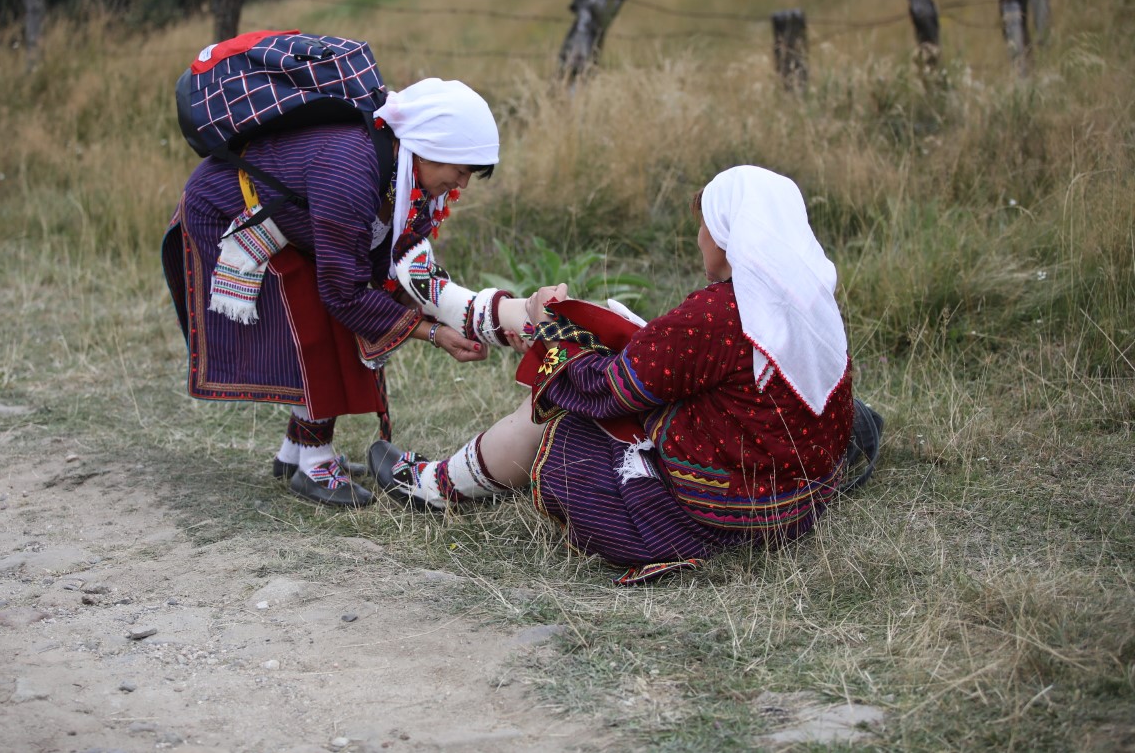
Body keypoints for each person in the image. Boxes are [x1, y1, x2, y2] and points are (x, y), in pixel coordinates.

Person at [370, 165, 883, 580]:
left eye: (704, 224)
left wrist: (558, 332)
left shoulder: (717, 315)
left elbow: (613, 389)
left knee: (554, 417)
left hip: (717, 512)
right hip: (796, 495)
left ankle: (436, 486)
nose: (699, 235)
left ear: (727, 235)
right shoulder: (811, 294)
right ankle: (443, 481)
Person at [162, 78, 528, 507]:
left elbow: (396, 263)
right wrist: (429, 331)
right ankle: (314, 465)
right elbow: (344, 292)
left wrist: (455, 314)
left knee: (326, 318)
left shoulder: (401, 175)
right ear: (430, 148)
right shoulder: (351, 169)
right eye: (460, 169)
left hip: (282, 226)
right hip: (227, 216)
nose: (461, 184)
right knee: (318, 323)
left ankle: (294, 454)